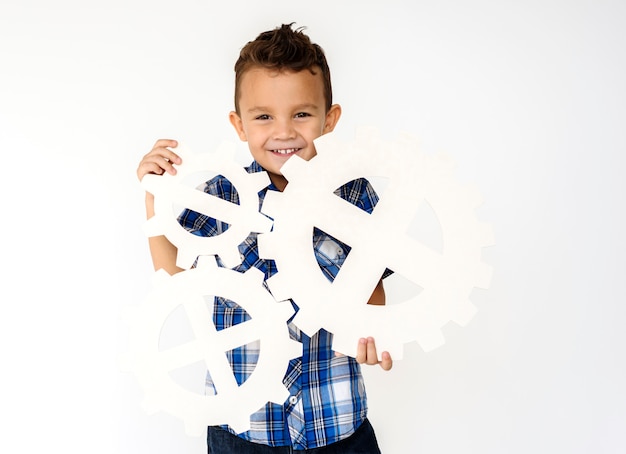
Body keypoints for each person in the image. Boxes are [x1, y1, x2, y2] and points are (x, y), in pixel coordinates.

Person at [136, 23, 392, 453]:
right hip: (242, 429)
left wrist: (374, 334)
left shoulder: (355, 195)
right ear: (239, 125)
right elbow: (175, 277)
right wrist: (154, 196)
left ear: (330, 120)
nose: (284, 131)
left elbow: (375, 296)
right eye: (263, 117)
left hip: (337, 426)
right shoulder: (221, 196)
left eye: (302, 114)